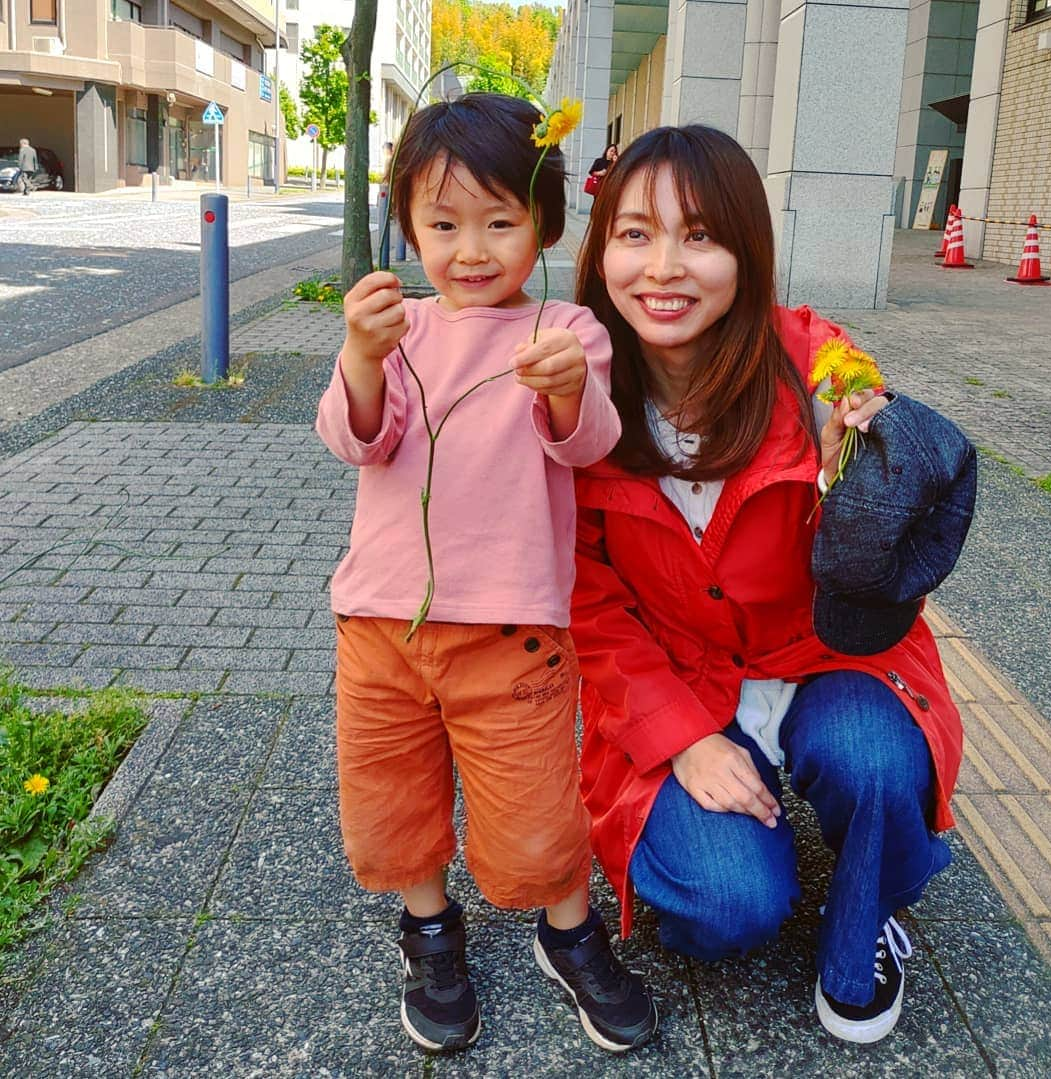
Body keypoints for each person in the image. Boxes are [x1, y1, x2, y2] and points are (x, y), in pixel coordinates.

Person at [571, 125, 970, 1045]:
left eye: (700, 235)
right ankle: (758, 830)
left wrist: (858, 467)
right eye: (636, 234)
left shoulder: (812, 367)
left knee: (874, 762)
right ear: (601, 250)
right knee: (728, 903)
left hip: (828, 654)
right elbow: (586, 600)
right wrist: (680, 741)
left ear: (748, 251)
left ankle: (867, 916)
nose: (664, 267)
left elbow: (883, 493)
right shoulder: (579, 396)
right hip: (682, 675)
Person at [315, 93, 657, 1055]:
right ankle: (429, 927)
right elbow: (355, 439)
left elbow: (588, 443)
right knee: (393, 794)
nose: (473, 249)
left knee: (536, 804)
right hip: (380, 623)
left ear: (543, 222)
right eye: (444, 223)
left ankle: (567, 927)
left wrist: (565, 393)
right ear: (410, 227)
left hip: (511, 634)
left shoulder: (564, 330)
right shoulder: (400, 328)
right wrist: (360, 354)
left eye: (501, 221)